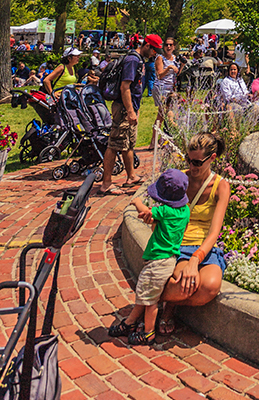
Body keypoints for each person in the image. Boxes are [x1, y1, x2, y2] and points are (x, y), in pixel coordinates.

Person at [159, 132, 231, 335]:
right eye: (189, 160)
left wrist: (195, 260)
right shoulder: (180, 179)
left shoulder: (221, 186)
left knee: (209, 287)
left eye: (198, 162)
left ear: (212, 158)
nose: (192, 167)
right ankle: (167, 308)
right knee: (185, 283)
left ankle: (153, 297)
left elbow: (214, 231)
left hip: (205, 246)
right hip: (180, 243)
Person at [109, 168, 191, 346]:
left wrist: (136, 202)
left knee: (151, 302)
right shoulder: (185, 212)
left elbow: (145, 212)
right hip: (169, 258)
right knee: (144, 294)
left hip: (157, 261)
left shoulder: (164, 212)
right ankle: (130, 322)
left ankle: (148, 332)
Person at [99, 34, 162, 195]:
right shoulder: (132, 61)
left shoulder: (139, 60)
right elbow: (125, 87)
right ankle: (106, 183)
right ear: (147, 45)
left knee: (128, 143)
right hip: (123, 108)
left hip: (130, 107)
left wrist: (135, 108)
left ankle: (131, 176)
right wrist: (130, 111)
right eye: (154, 50)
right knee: (114, 144)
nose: (155, 54)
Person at [153, 38, 181, 129]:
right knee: (162, 113)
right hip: (161, 87)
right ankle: (155, 137)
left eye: (170, 45)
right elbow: (159, 75)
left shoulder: (174, 58)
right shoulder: (160, 58)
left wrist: (182, 66)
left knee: (168, 112)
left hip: (170, 87)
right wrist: (168, 68)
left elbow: (177, 73)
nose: (168, 47)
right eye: (166, 45)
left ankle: (163, 137)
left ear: (174, 47)